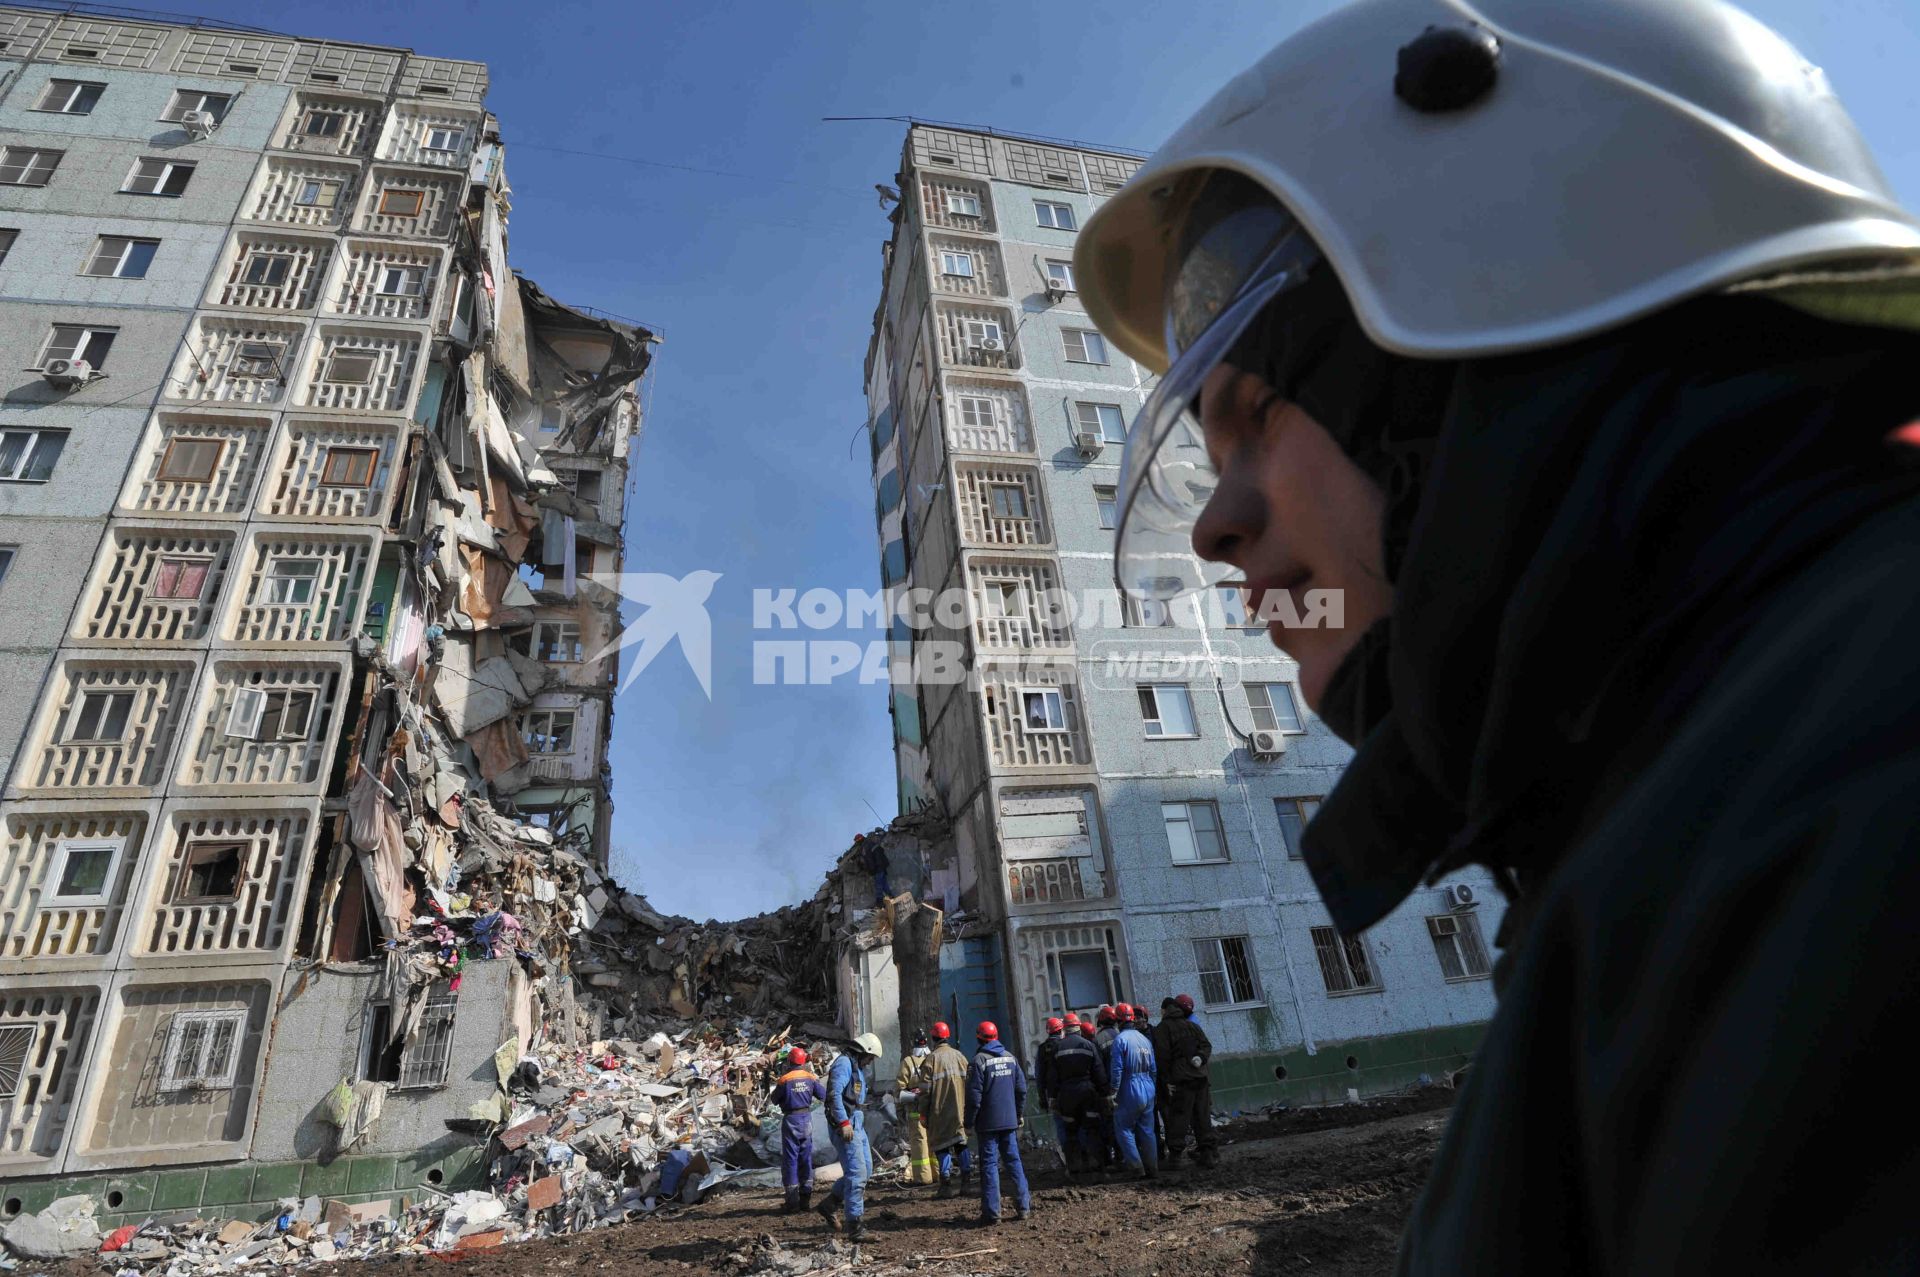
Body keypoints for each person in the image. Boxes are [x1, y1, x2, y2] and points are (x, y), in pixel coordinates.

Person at [1073, 2, 1920, 1267]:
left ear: (1492, 304)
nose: (1215, 528)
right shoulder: (1658, 784)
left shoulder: (1845, 763)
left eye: (1254, 416)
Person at [816, 1033, 883, 1242]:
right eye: (870, 1058)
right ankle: (855, 1227)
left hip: (856, 1121)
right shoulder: (844, 1064)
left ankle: (829, 1205)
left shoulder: (856, 1066)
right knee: (856, 1174)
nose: (870, 1063)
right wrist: (844, 1123)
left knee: (867, 1169)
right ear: (864, 1052)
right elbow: (834, 1095)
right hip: (845, 1125)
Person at [963, 1021, 1031, 1224]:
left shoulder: (978, 1061)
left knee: (990, 1166)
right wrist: (1018, 1114)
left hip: (987, 1125)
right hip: (1009, 1122)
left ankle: (993, 1213)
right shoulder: (1011, 1058)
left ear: (979, 1037)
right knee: (1014, 1162)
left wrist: (968, 1122)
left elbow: (974, 1097)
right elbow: (1022, 1090)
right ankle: (1024, 1207)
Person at [1153, 996, 1217, 1170]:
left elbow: (1162, 1057)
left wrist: (1167, 1080)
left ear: (1164, 1011)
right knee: (1202, 1116)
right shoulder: (1192, 1026)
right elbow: (1206, 1045)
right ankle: (1208, 1155)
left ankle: (1175, 1158)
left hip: (1182, 1079)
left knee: (1179, 1117)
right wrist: (1201, 1058)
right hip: (1201, 1077)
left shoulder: (1162, 1029)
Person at [766, 1047, 828, 1214]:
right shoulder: (810, 1077)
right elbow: (823, 1095)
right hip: (806, 1119)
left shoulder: (784, 1080)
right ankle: (806, 1200)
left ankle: (792, 1202)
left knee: (791, 1159)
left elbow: (774, 1100)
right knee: (805, 1157)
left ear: (789, 1061)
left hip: (791, 1119)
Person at [1050, 1012, 1109, 1174]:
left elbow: (1052, 1077)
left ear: (1065, 1029)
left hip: (1067, 1095)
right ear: (1078, 1027)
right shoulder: (1088, 1045)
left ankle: (1076, 1168)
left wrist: (1053, 1097)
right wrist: (1103, 1093)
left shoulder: (1057, 1048)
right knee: (1092, 1130)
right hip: (1087, 1092)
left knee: (1071, 1131)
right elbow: (1099, 1072)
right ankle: (1097, 1166)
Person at [922, 1021, 972, 1199]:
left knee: (942, 1147)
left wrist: (923, 1114)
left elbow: (924, 1093)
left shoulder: (931, 1060)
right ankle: (966, 1182)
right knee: (961, 1143)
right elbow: (971, 1084)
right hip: (960, 1110)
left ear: (933, 1038)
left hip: (939, 1112)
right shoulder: (960, 1057)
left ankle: (946, 1185)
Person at [1108, 1008, 1159, 1179]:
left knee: (1123, 1128)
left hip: (1130, 1086)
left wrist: (1113, 1090)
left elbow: (1117, 1069)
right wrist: (1153, 1087)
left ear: (1118, 1020)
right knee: (1147, 1130)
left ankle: (1136, 1167)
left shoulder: (1120, 1040)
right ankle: (1152, 1168)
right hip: (1148, 1086)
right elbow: (1153, 1069)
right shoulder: (1144, 1039)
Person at [896, 1031, 937, 1186]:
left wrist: (900, 1110)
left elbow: (899, 1090)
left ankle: (923, 1178)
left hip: (916, 1110)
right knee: (934, 1141)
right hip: (933, 1109)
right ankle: (937, 1175)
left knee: (919, 1144)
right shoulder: (933, 1058)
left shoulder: (908, 1062)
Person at [1034, 1017, 1070, 1162]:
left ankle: (1068, 1159)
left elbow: (1039, 1076)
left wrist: (1042, 1098)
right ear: (1061, 1030)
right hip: (1070, 1092)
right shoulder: (1065, 1045)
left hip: (1053, 1095)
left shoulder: (1043, 1049)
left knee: (1061, 1125)